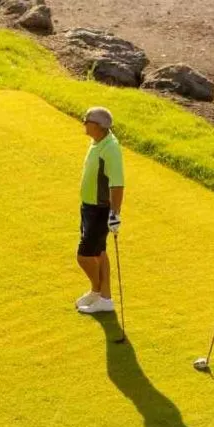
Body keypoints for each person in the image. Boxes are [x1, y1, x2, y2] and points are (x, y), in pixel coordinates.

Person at [75, 107, 125, 314]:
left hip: (99, 209)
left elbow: (117, 184)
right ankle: (104, 298)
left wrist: (115, 213)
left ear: (98, 125)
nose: (84, 123)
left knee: (84, 256)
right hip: (89, 207)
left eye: (86, 121)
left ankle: (97, 290)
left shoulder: (110, 149)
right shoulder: (98, 142)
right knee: (99, 253)